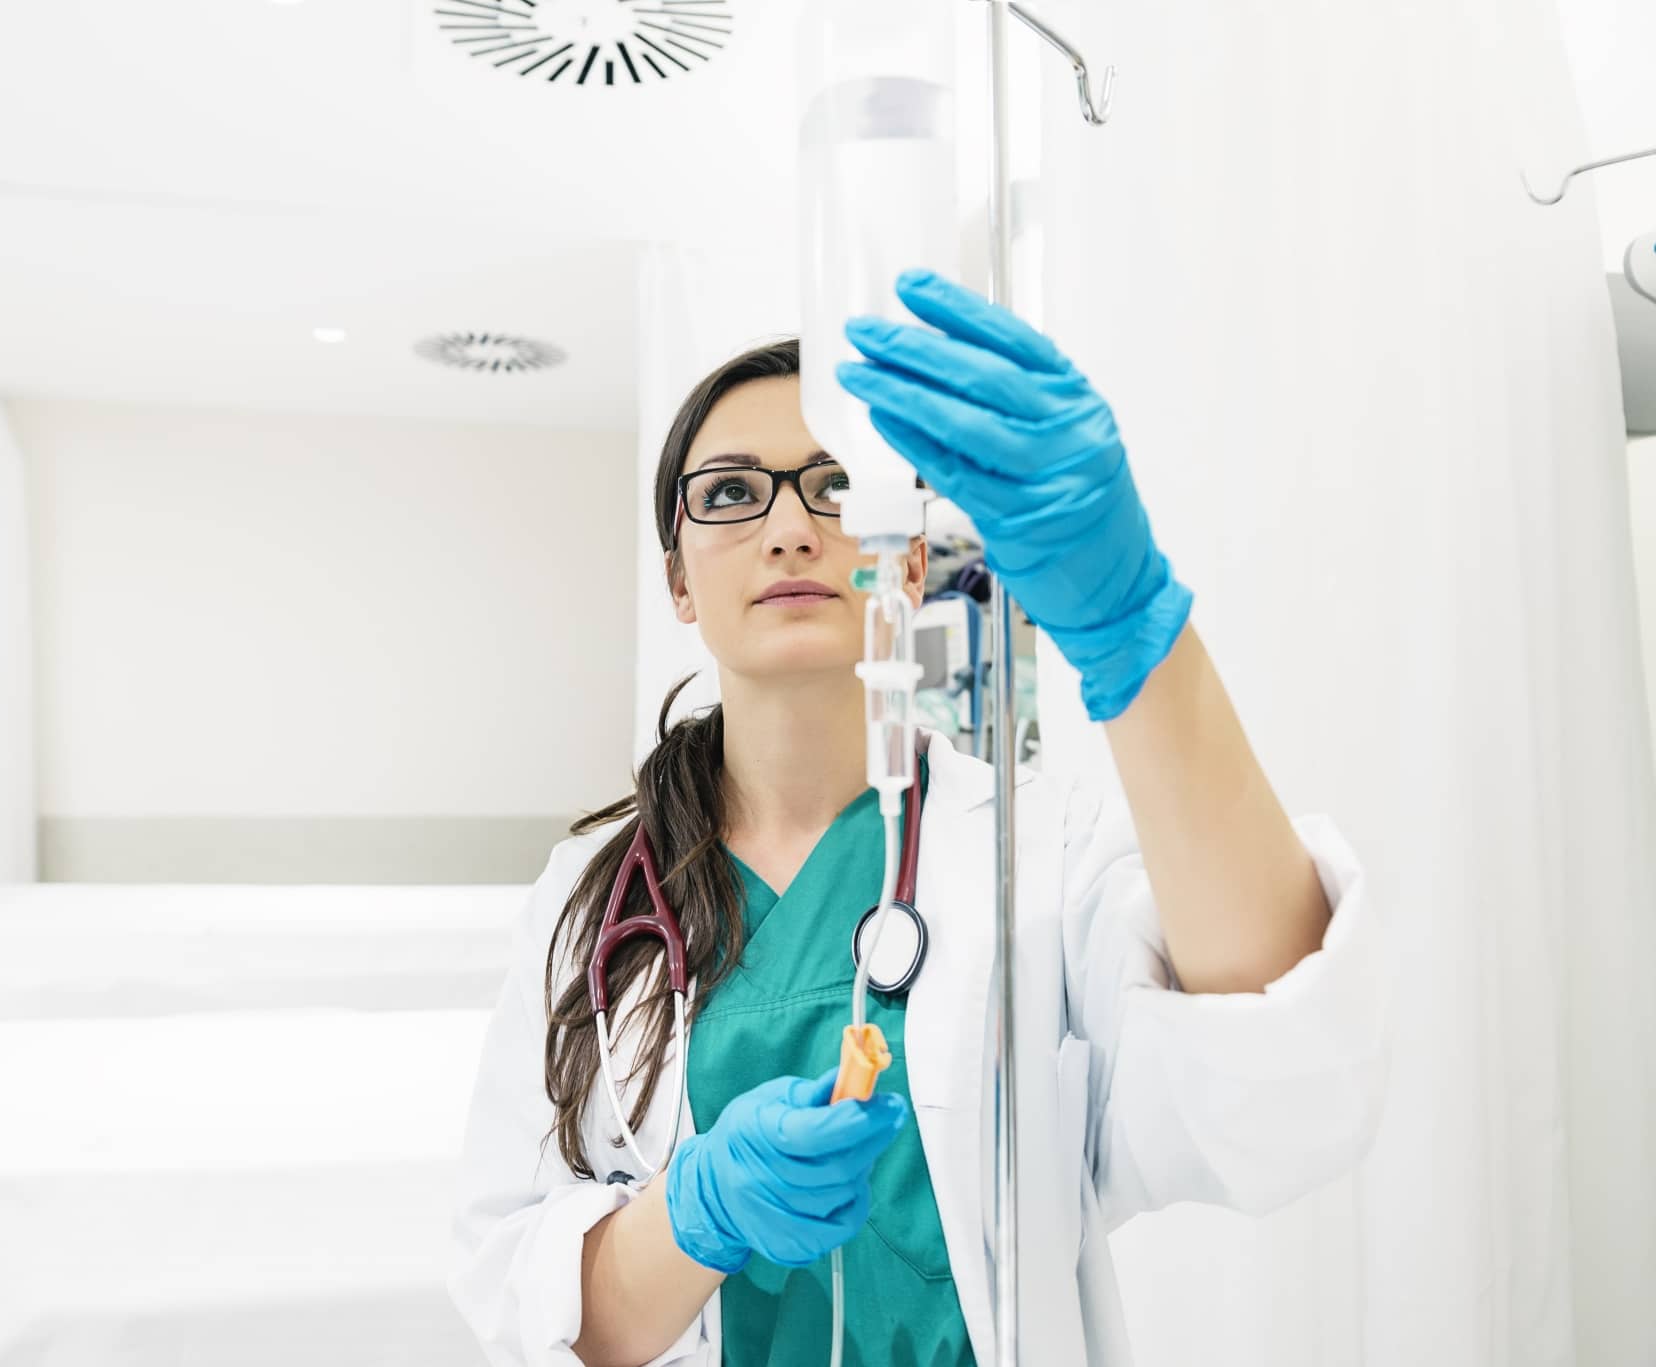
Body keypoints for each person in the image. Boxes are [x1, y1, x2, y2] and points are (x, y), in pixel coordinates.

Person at [450, 271, 1386, 1367]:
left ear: (900, 554)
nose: (791, 526)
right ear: (678, 581)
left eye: (836, 485)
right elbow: (528, 1303)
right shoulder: (588, 898)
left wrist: (1133, 629)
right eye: (729, 493)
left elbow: (1280, 1088)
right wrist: (692, 1215)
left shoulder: (1032, 848)